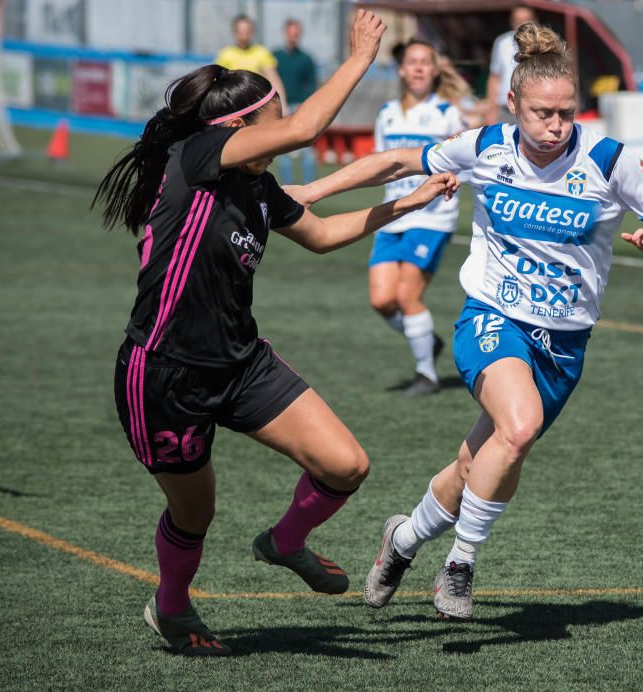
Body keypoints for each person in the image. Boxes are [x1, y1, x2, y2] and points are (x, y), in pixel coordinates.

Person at [287, 22, 643, 620]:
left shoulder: (608, 159)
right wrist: (314, 190)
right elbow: (399, 159)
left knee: (479, 463)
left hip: (564, 344)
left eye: (566, 112)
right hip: (493, 317)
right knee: (520, 426)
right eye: (542, 113)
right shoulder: (487, 146)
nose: (556, 126)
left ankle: (400, 543)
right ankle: (460, 565)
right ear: (513, 103)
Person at [93, 11, 457, 655]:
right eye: (275, 117)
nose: (288, 129)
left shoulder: (259, 189)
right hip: (165, 371)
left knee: (347, 465)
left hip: (240, 364)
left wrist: (411, 201)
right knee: (194, 515)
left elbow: (321, 236)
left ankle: (285, 541)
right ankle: (172, 609)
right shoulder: (199, 156)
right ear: (238, 128)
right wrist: (360, 57)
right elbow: (309, 127)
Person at [365, 39, 467, 396]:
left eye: (426, 62)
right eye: (413, 62)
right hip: (392, 214)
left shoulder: (447, 113)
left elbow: (465, 159)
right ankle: (424, 337)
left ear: (435, 70)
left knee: (408, 296)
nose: (420, 68)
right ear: (403, 70)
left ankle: (427, 375)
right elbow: (380, 163)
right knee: (381, 300)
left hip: (431, 217)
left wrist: (453, 180)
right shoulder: (387, 113)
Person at [273, 18, 319, 184]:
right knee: (283, 152)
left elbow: (311, 84)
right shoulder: (275, 57)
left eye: (296, 34)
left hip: (300, 107)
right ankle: (286, 189)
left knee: (307, 151)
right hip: (282, 109)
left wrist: (306, 106)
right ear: (285, 34)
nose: (293, 37)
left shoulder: (306, 59)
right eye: (291, 34)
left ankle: (310, 187)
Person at [216, 14, 288, 106]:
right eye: (241, 30)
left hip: (257, 103)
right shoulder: (225, 54)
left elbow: (274, 79)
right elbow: (218, 83)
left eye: (247, 30)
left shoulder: (261, 52)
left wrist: (282, 103)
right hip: (233, 105)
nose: (244, 34)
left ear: (252, 32)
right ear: (234, 31)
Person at [485, 5, 537, 124]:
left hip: (533, 111)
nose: (522, 24)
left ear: (535, 21)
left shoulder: (542, 44)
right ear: (512, 22)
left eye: (526, 20)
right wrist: (491, 111)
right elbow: (494, 78)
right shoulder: (502, 42)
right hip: (506, 111)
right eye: (518, 20)